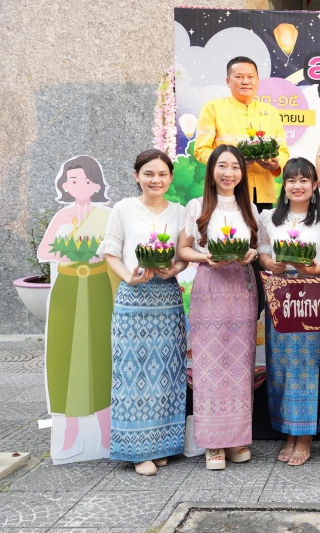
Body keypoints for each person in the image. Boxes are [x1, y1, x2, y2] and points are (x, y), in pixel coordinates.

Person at [98, 149, 188, 476]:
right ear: (137, 175)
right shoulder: (123, 208)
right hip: (133, 298)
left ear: (170, 178)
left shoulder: (179, 212)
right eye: (149, 173)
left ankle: (161, 444)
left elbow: (182, 256)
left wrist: (172, 269)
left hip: (166, 298)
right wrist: (128, 277)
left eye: (162, 174)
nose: (156, 180)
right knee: (132, 371)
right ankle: (137, 450)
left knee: (167, 369)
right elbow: (110, 251)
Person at [177, 144, 262, 470]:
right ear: (212, 170)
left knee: (241, 363)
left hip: (241, 289)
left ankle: (237, 437)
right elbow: (184, 250)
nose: (229, 173)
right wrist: (205, 257)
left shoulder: (249, 208)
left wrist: (252, 255)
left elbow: (255, 248)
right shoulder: (197, 206)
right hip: (210, 287)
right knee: (210, 362)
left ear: (242, 173)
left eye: (235, 167)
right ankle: (213, 443)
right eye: (222, 166)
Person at [258, 157, 320, 467]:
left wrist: (313, 269)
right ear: (284, 185)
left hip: (314, 298)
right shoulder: (269, 218)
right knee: (281, 367)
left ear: (315, 185)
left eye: (305, 180)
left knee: (310, 365)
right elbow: (263, 252)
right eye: (292, 180)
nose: (298, 185)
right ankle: (288, 432)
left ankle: (304, 437)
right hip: (280, 297)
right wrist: (270, 265)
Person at [37, 156, 114, 461]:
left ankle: (106, 431)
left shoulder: (106, 215)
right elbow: (45, 250)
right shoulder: (62, 216)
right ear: (64, 185)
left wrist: (99, 256)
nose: (79, 186)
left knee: (100, 355)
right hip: (67, 290)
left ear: (96, 184)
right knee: (65, 357)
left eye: (85, 180)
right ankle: (69, 432)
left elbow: (114, 248)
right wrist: (66, 255)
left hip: (97, 289)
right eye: (72, 181)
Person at [194, 56, 290, 211]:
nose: (245, 81)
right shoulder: (213, 108)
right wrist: (230, 163)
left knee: (260, 234)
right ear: (228, 81)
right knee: (229, 234)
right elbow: (201, 150)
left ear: (257, 80)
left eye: (250, 77)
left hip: (262, 193)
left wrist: (277, 163)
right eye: (239, 77)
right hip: (226, 189)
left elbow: (283, 151)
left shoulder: (271, 112)